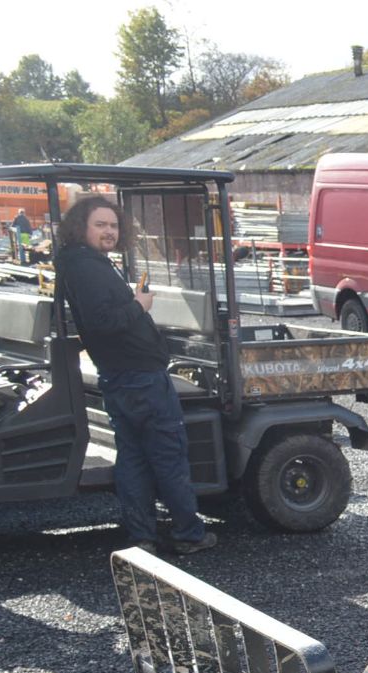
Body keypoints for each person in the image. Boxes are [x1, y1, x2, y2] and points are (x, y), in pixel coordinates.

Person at [55, 194, 214, 554]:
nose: (109, 231)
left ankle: (142, 536)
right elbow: (104, 322)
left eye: (113, 225)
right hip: (140, 378)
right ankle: (189, 534)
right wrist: (139, 305)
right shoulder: (87, 266)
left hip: (120, 376)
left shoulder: (84, 262)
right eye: (100, 225)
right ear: (82, 227)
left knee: (133, 459)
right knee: (168, 457)